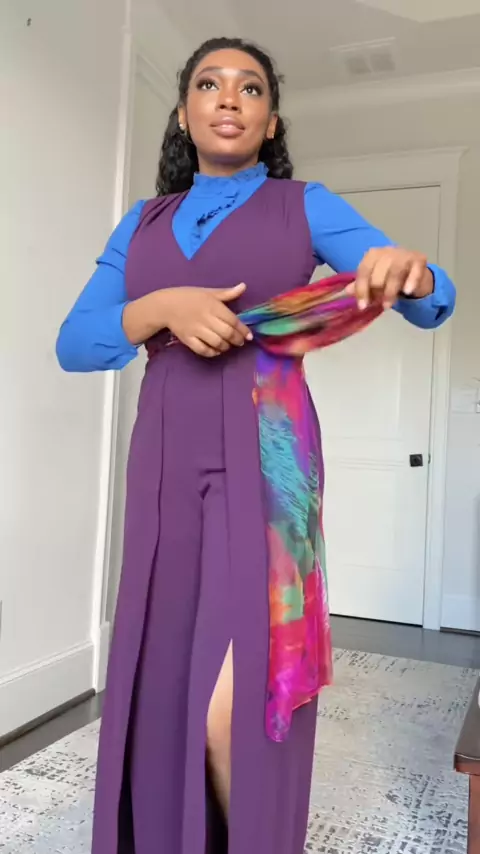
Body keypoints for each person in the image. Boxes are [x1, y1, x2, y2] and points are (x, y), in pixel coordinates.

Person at [56, 36, 456, 854]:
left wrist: (409, 271)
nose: (230, 98)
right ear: (184, 113)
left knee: (236, 706)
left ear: (272, 121)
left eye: (251, 88)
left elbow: (428, 294)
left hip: (269, 460)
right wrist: (160, 307)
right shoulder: (142, 224)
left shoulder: (304, 205)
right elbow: (76, 343)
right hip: (164, 462)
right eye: (210, 84)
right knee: (164, 677)